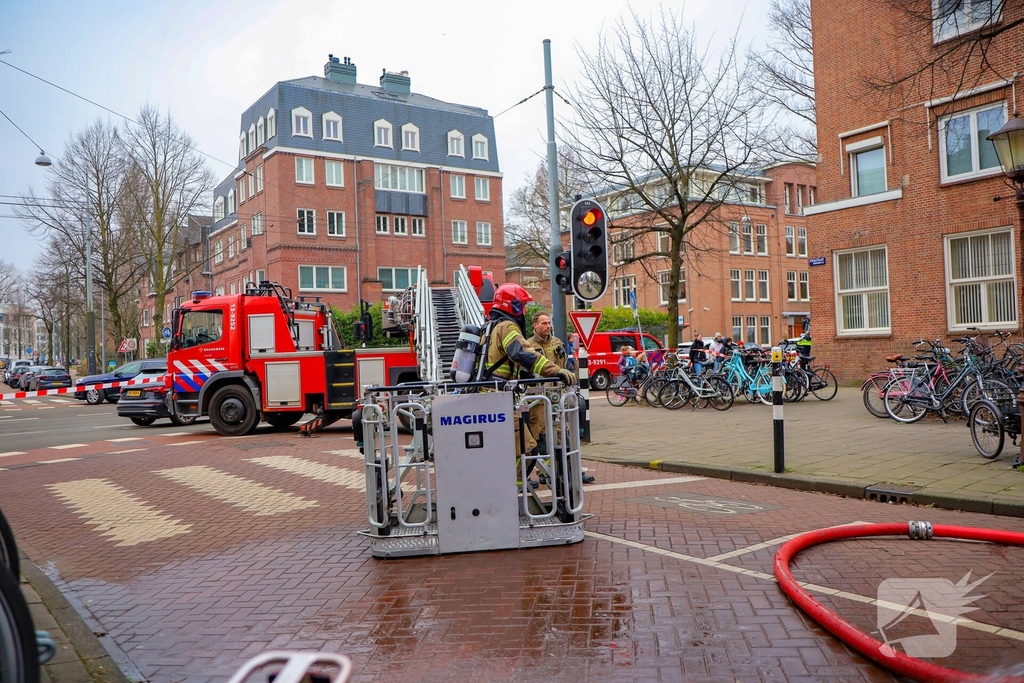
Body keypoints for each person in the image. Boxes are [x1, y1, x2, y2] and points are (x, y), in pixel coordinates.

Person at [480, 285, 577, 478]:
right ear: (513, 306)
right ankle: (510, 493)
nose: (524, 311)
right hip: (497, 401)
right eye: (522, 305)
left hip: (488, 398)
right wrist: (556, 371)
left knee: (511, 450)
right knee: (528, 450)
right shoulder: (507, 327)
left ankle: (506, 491)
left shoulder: (489, 326)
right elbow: (522, 353)